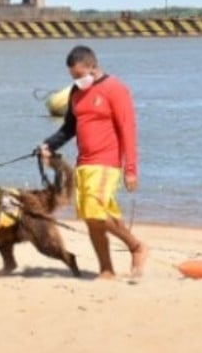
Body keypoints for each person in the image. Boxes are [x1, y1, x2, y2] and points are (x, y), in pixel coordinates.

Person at [39, 45, 147, 279]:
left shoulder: (115, 89)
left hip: (107, 162)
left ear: (93, 66)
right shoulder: (76, 93)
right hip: (84, 163)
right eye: (73, 77)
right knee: (92, 220)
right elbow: (69, 128)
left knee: (95, 211)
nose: (77, 81)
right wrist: (48, 145)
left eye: (79, 75)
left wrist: (131, 169)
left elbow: (128, 129)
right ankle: (106, 269)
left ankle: (136, 246)